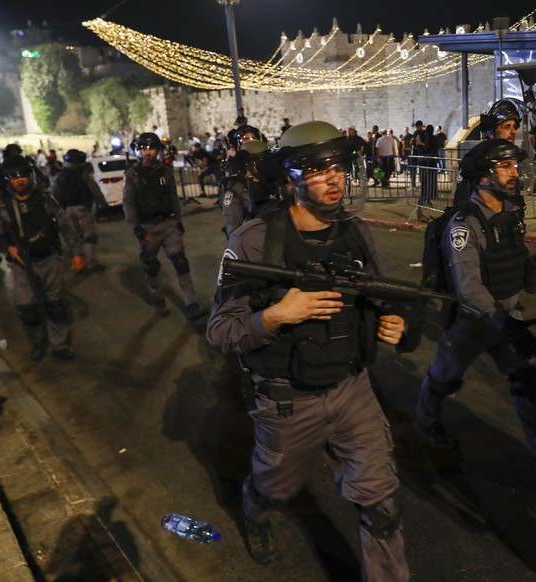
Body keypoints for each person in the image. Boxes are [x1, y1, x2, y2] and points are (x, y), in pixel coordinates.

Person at [206, 120, 410, 580]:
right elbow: (221, 331)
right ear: (291, 177)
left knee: (383, 508)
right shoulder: (254, 240)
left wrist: (392, 321)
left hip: (351, 386)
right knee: (273, 489)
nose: (333, 177)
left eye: (337, 166)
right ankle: (254, 512)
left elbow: (374, 297)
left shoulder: (355, 232)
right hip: (286, 399)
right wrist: (277, 315)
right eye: (317, 169)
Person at [415, 138, 536, 481]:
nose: (514, 173)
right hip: (473, 322)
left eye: (515, 166)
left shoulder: (510, 215)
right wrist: (504, 323)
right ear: (482, 176)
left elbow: (509, 263)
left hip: (508, 317)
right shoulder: (465, 224)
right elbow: (469, 288)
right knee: (443, 379)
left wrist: (527, 274)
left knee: (527, 380)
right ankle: (426, 423)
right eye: (505, 167)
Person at [0, 155, 83, 361]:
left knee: (56, 306)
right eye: (14, 177)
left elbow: (65, 225)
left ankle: (60, 346)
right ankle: (37, 343)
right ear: (8, 180)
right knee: (28, 309)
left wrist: (76, 253)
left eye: (23, 175)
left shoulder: (45, 199)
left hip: (49, 259)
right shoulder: (1, 206)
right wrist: (7, 248)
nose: (19, 180)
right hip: (21, 266)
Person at [122, 132, 206, 320]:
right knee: (151, 266)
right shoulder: (133, 174)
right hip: (147, 226)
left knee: (181, 262)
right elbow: (128, 202)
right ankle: (158, 298)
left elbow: (173, 198)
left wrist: (178, 220)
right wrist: (135, 226)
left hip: (167, 224)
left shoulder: (165, 172)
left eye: (151, 148)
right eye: (144, 149)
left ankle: (191, 303)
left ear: (158, 150)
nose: (148, 152)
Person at [50, 149, 109, 273]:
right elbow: (96, 192)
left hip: (66, 211)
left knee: (75, 238)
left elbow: (53, 195)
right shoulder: (84, 175)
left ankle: (78, 263)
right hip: (82, 209)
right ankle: (90, 263)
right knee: (89, 237)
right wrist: (103, 206)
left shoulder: (60, 176)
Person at [220, 140, 280, 236]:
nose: (261, 167)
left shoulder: (273, 182)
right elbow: (233, 227)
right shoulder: (236, 189)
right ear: (247, 165)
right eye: (256, 163)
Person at [417, 124, 438, 205]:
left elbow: (427, 150)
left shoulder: (429, 139)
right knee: (430, 181)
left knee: (425, 181)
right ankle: (428, 198)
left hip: (428, 162)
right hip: (432, 162)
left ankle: (424, 198)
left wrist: (420, 147)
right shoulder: (434, 138)